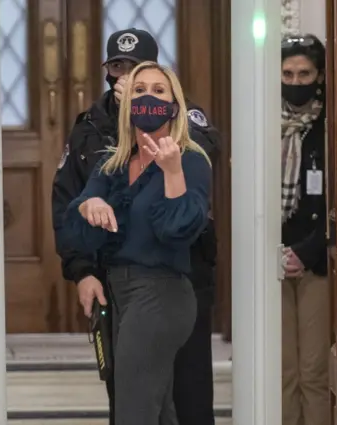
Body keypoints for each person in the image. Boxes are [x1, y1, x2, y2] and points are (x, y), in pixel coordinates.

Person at [51, 28, 220, 425]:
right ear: (108, 72)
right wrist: (83, 268)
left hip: (174, 282)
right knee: (148, 405)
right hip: (119, 287)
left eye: (153, 85)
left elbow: (181, 215)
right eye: (120, 69)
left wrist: (170, 161)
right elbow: (71, 210)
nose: (131, 83)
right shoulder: (98, 137)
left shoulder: (187, 141)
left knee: (175, 399)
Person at [280, 34, 330, 425]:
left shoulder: (331, 126)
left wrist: (303, 252)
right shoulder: (265, 124)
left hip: (315, 260)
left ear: (319, 76)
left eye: (304, 74)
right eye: (288, 74)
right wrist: (278, 252)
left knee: (313, 372)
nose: (296, 82)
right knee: (283, 372)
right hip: (274, 259)